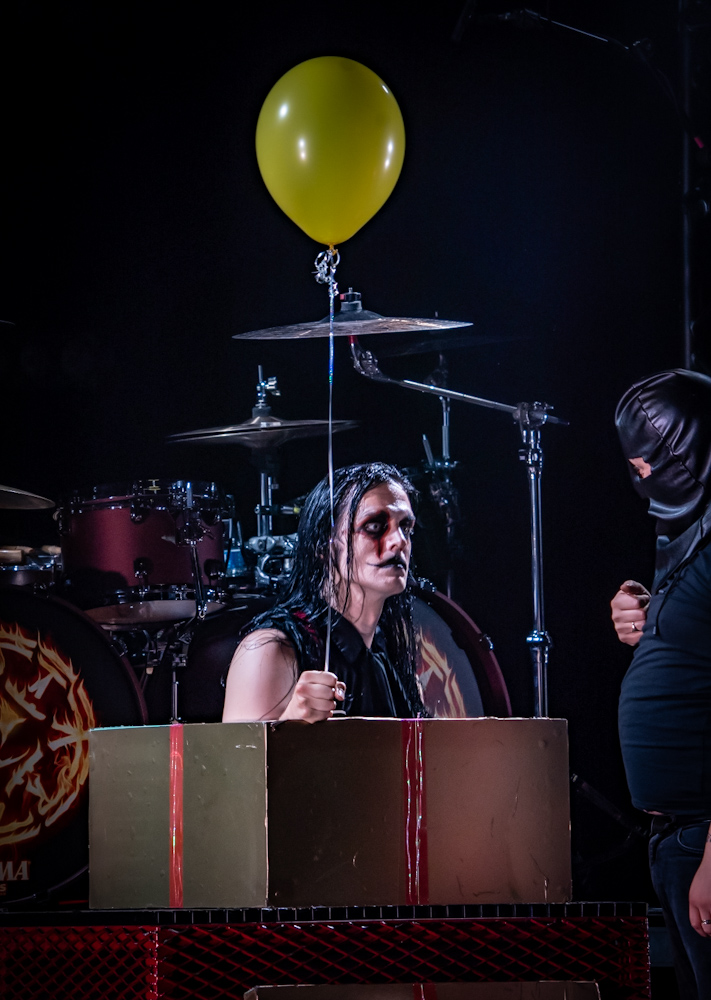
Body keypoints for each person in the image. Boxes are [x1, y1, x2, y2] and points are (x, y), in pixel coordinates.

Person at [611, 369, 711, 999]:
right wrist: (650, 619)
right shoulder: (690, 534)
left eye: (652, 462)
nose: (643, 476)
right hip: (675, 835)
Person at [222, 462, 426, 724]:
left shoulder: (389, 656)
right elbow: (238, 752)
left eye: (405, 527)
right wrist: (290, 721)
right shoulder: (269, 651)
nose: (399, 541)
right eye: (375, 526)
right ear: (323, 545)